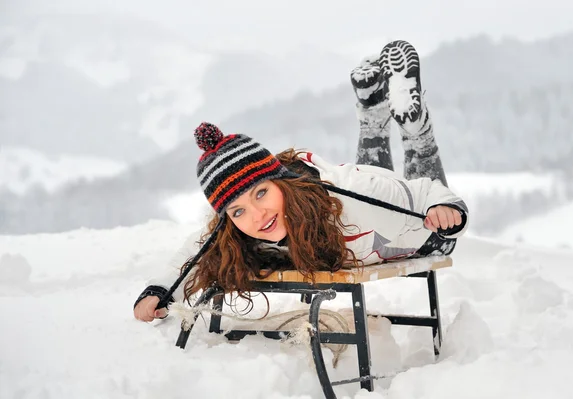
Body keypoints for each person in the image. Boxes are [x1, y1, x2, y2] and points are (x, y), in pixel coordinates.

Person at [133, 40, 469, 322]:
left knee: (406, 186)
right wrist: (160, 289)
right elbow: (199, 249)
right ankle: (372, 119)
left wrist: (445, 210)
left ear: (281, 182)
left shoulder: (357, 198)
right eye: (237, 211)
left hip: (418, 234)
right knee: (370, 192)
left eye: (261, 193)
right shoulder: (245, 229)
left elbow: (423, 192)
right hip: (364, 218)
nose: (257, 216)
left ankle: (414, 129)